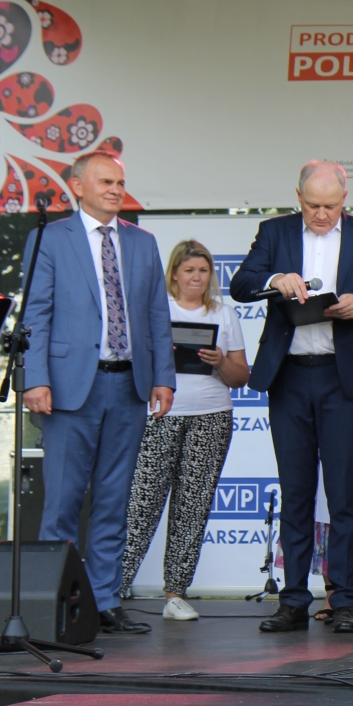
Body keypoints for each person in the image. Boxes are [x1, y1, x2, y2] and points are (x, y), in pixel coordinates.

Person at [21, 151, 175, 635]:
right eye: (105, 181)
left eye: (120, 182)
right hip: (68, 388)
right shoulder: (49, 238)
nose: (115, 189)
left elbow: (157, 316)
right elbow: (35, 314)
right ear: (77, 186)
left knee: (114, 501)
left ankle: (105, 601)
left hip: (128, 384)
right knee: (62, 502)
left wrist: (164, 377)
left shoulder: (143, 242)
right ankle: (55, 605)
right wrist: (34, 378)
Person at [229, 161, 353, 634]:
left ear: (345, 199)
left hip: (341, 376)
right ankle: (292, 599)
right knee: (295, 492)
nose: (321, 214)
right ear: (298, 197)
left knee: (344, 495)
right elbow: (240, 284)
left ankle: (345, 599)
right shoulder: (274, 232)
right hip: (289, 376)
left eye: (331, 206)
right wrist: (275, 280)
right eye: (313, 205)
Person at [118, 240, 248, 620]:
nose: (197, 277)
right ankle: (112, 589)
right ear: (174, 273)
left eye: (203, 270)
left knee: (193, 507)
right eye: (189, 270)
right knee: (141, 503)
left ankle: (175, 594)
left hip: (212, 415)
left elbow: (241, 377)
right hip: (160, 414)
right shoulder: (157, 309)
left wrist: (219, 360)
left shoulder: (224, 314)